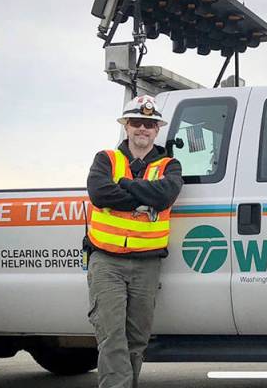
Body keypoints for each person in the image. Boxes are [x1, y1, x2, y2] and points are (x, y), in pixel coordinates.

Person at [84, 94, 183, 388]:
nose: (143, 129)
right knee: (112, 338)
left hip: (147, 265)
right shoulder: (106, 159)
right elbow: (101, 194)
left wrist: (125, 185)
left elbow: (165, 194)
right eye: (137, 122)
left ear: (157, 130)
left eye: (149, 124)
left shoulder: (170, 165)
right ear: (126, 126)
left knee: (137, 340)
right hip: (107, 261)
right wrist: (144, 197)